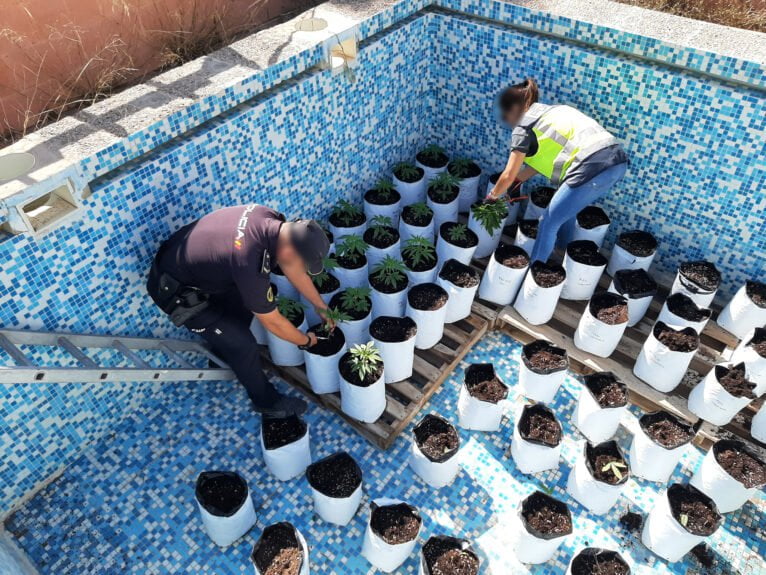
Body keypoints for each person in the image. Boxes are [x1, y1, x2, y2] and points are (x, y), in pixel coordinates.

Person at [147, 204, 333, 418]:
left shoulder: (271, 220)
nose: (301, 266)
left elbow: (291, 266)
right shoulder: (249, 261)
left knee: (248, 307)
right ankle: (266, 402)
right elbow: (272, 322)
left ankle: (223, 351)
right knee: (243, 344)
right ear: (289, 249)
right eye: (303, 261)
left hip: (197, 271)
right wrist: (305, 341)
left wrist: (321, 306)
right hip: (175, 292)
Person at [487, 78, 628, 263]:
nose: (508, 122)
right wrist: (517, 181)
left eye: (506, 116)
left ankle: (532, 273)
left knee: (547, 223)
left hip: (591, 167)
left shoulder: (524, 126)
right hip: (617, 162)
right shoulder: (555, 110)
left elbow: (507, 174)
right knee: (565, 212)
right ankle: (559, 251)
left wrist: (491, 198)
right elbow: (538, 162)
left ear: (513, 109)